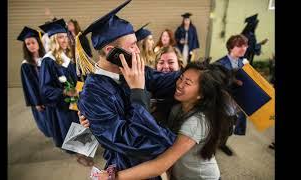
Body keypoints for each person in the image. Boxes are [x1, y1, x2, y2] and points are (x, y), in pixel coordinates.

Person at [77, 0, 180, 177]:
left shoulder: (130, 70)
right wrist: (138, 91)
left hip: (153, 167)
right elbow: (137, 142)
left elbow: (169, 81)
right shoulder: (92, 95)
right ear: (111, 51)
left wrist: (207, 74)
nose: (138, 51)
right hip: (127, 170)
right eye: (132, 46)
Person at [95, 60, 232, 180]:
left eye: (188, 83)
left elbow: (160, 165)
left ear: (201, 94)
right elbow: (142, 121)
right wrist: (96, 119)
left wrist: (114, 177)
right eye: (181, 78)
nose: (179, 84)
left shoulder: (197, 122)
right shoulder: (177, 108)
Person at [39, 19, 92, 166]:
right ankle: (79, 154)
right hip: (62, 104)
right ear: (54, 40)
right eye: (60, 37)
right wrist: (64, 92)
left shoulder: (66, 56)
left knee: (80, 122)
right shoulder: (48, 61)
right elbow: (45, 89)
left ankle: (84, 151)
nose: (65, 40)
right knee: (70, 125)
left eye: (65, 36)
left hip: (75, 99)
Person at [215, 34, 249, 156]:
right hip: (223, 102)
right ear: (230, 47)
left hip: (237, 103)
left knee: (230, 128)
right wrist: (233, 81)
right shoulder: (220, 63)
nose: (244, 48)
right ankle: (210, 148)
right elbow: (215, 84)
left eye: (245, 45)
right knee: (218, 127)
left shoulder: (243, 63)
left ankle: (223, 144)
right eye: (240, 45)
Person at [17, 26, 51, 138]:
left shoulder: (46, 59)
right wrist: (36, 102)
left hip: (51, 95)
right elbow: (29, 86)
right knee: (46, 120)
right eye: (28, 44)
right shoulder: (26, 65)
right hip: (40, 98)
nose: (31, 45)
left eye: (33, 42)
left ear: (38, 43)